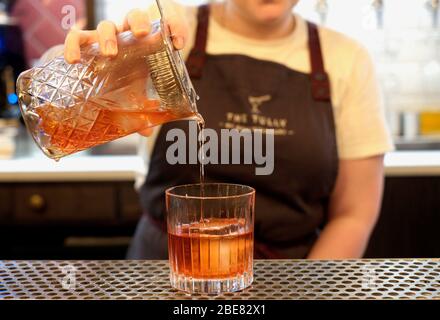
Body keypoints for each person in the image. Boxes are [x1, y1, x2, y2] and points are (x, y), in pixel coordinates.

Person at [61, 0, 394, 259]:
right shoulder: (172, 32)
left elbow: (354, 213)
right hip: (163, 274)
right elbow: (71, 96)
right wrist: (87, 64)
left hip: (288, 277)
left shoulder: (347, 59)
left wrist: (304, 289)